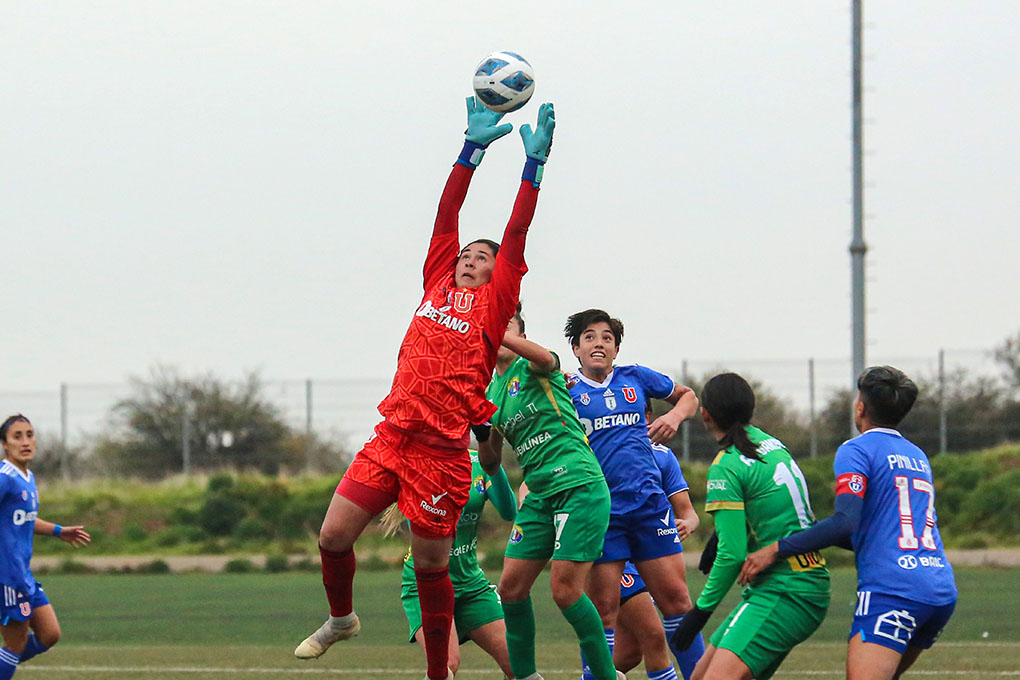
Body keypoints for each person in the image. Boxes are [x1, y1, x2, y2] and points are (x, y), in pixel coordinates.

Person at [294, 97, 555, 680]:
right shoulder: (437, 277)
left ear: (498, 273)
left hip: (440, 454)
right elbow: (447, 211)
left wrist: (531, 170)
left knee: (435, 570)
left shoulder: (495, 305)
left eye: (480, 256)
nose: (467, 258)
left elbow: (516, 231)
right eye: (464, 253)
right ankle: (341, 620)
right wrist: (472, 151)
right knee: (333, 536)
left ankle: (439, 673)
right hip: (392, 435)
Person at [739, 366, 957, 680]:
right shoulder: (917, 455)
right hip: (939, 588)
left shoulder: (856, 449)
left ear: (860, 407)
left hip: (894, 590)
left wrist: (775, 549)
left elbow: (845, 523)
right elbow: (876, 532)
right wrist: (813, 532)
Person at [477, 310, 622, 680]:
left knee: (565, 591)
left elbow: (545, 357)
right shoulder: (491, 392)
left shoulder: (534, 365)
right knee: (509, 589)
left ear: (520, 334)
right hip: (539, 494)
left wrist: (495, 328)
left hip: (578, 485)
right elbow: (490, 463)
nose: (496, 327)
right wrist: (479, 430)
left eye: (506, 324)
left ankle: (606, 677)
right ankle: (526, 676)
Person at [564, 308, 702, 680]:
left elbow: (688, 397)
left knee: (677, 602)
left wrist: (673, 417)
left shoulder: (636, 378)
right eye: (589, 337)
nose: (599, 343)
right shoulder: (565, 389)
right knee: (603, 610)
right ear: (576, 348)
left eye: (607, 338)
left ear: (616, 348)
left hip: (648, 508)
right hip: (601, 512)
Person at [668, 373, 830, 680]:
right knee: (700, 675)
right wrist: (719, 536)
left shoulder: (726, 465)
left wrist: (698, 615)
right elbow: (765, 503)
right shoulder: (770, 443)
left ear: (706, 414)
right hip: (796, 581)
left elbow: (732, 556)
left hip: (787, 589)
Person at [386, 449, 517, 679]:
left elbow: (509, 512)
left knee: (519, 663)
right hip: (425, 583)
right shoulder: (418, 463)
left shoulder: (479, 460)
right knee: (446, 665)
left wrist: (493, 463)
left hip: (471, 583)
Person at [608, 401, 700, 677]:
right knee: (654, 636)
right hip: (617, 558)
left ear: (647, 417)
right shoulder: (598, 452)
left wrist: (688, 524)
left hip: (653, 555)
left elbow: (688, 512)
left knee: (627, 654)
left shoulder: (662, 457)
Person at [0, 415, 90, 680]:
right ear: (5, 445)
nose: (25, 441)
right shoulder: (5, 478)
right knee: (14, 644)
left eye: (30, 434)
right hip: (6, 577)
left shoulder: (26, 476)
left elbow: (24, 518)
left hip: (22, 574)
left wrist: (59, 531)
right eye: (17, 436)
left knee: (49, 634)